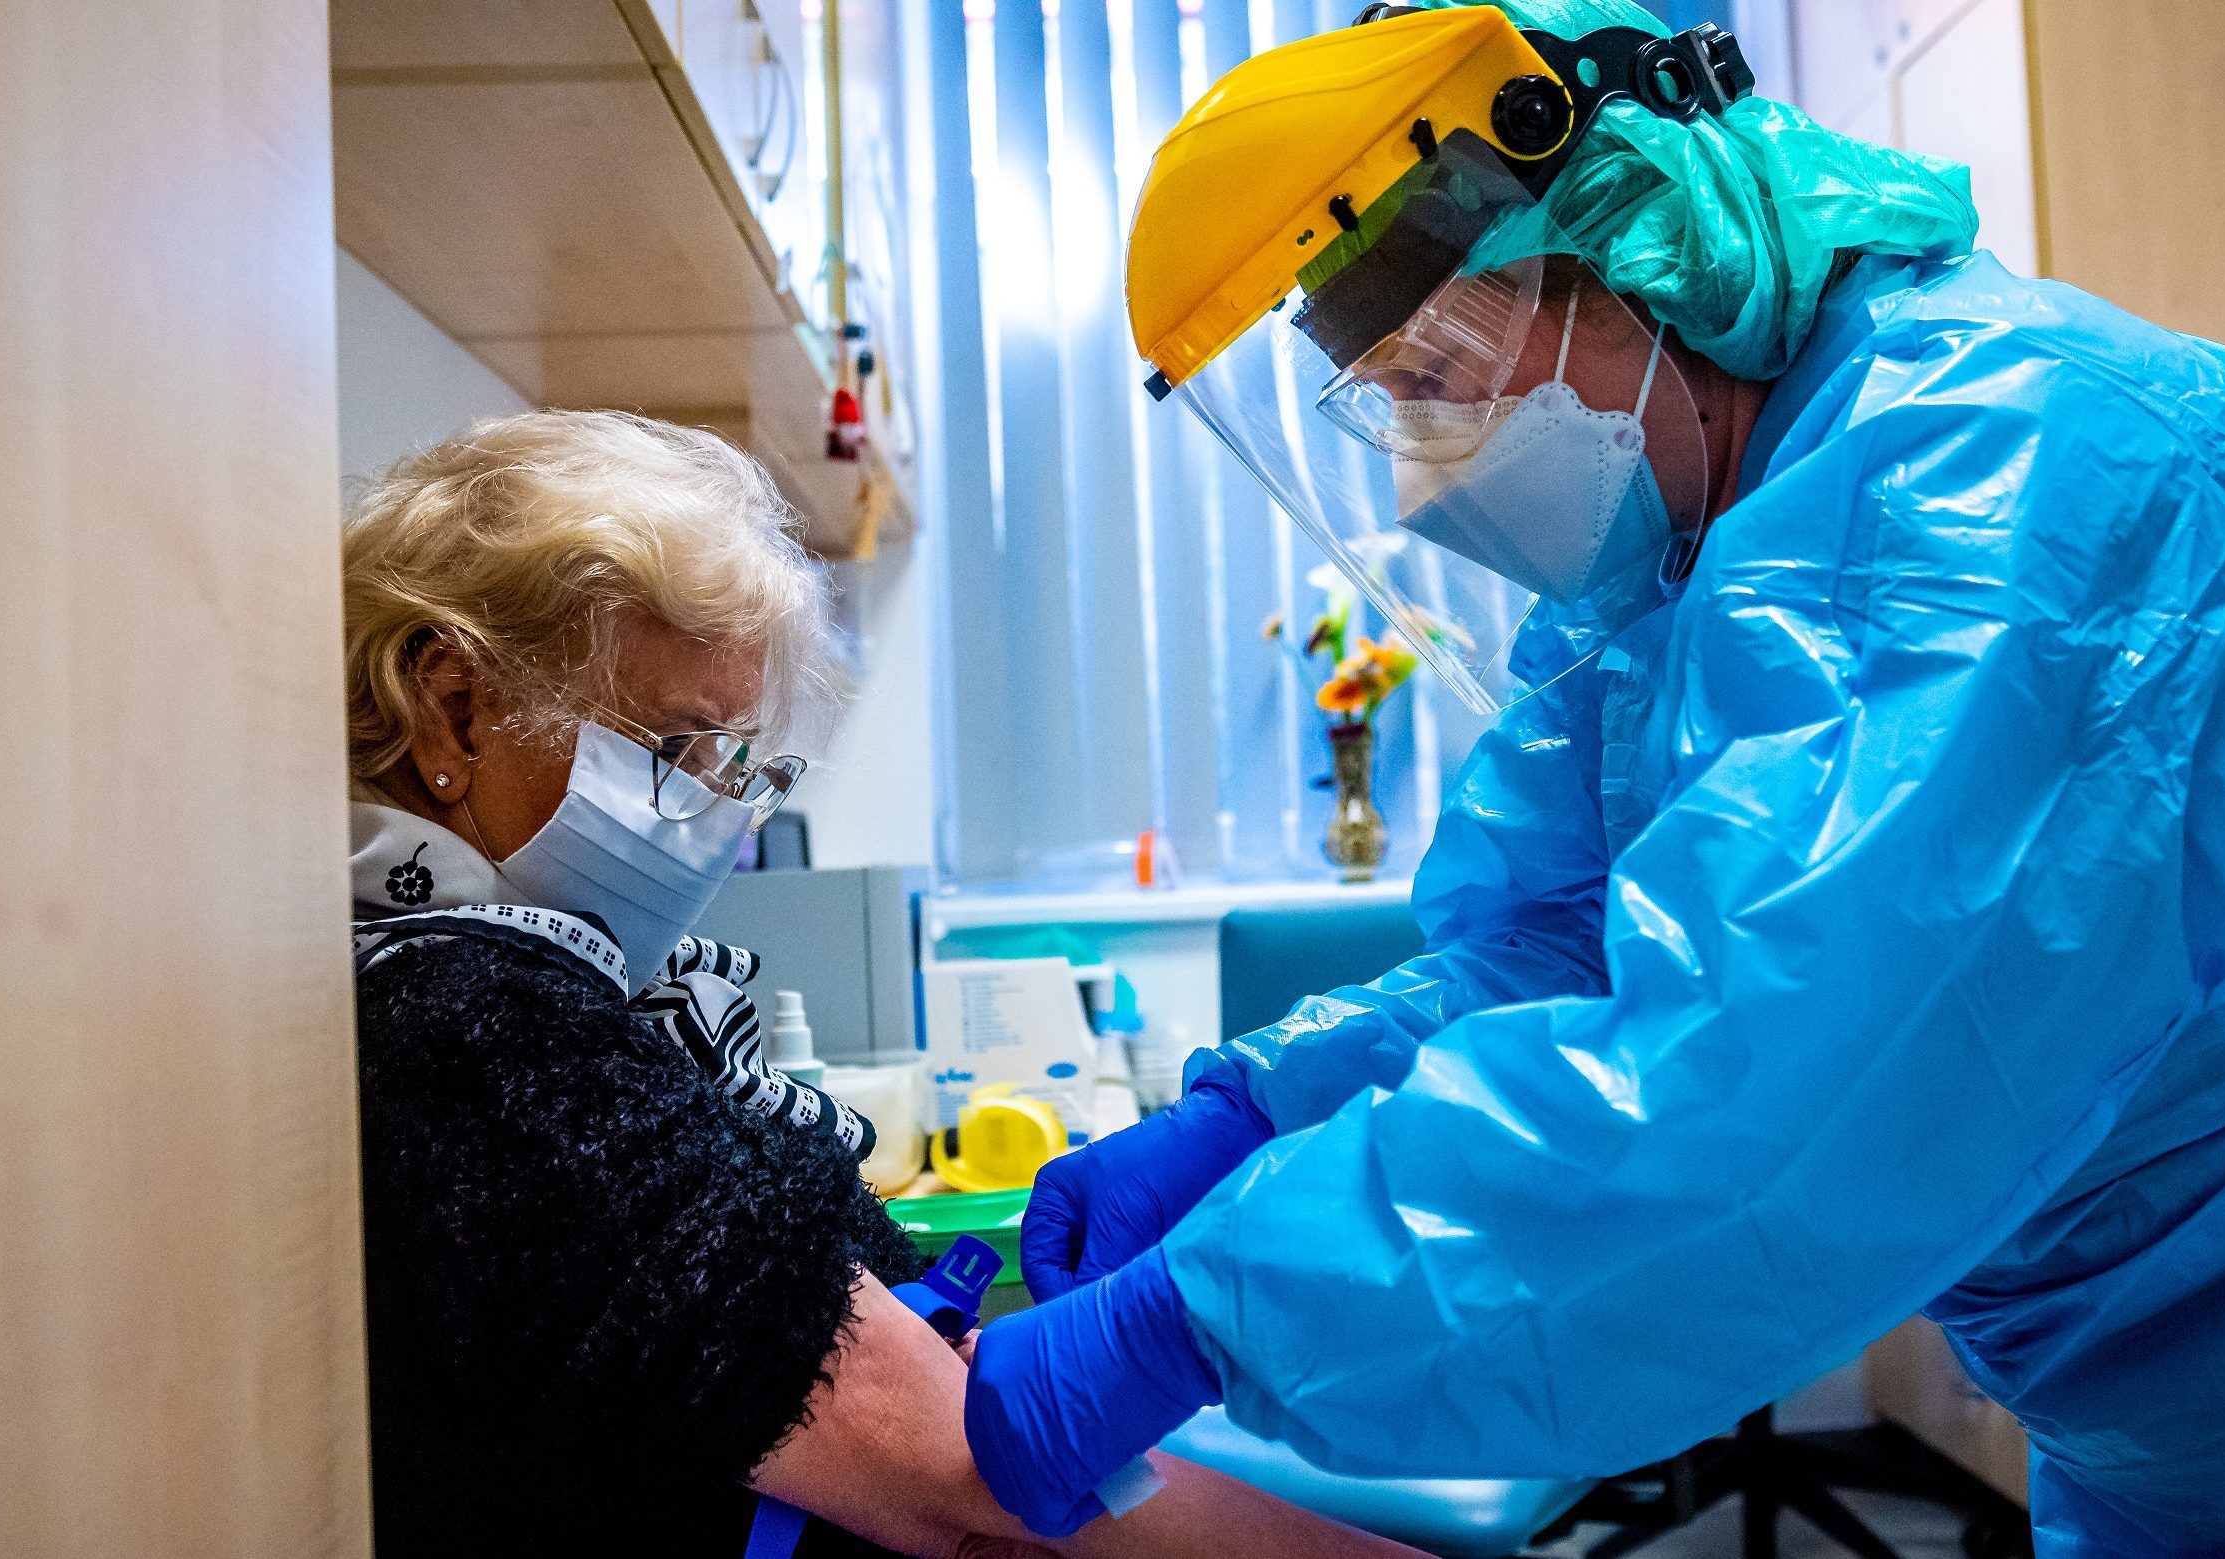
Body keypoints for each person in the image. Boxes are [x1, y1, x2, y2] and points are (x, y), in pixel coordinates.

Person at [958, 3, 2225, 1554]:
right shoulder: (1661, 592)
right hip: (2179, 1408)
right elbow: (1560, 944)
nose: (1420, 453)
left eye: (1439, 367)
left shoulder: (2016, 466)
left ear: (1629, 246)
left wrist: (1211, 1308)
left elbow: (1764, 1066)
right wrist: (1253, 1115)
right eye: (1382, 398)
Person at [341, 410, 1431, 1559]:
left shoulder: (586, 995)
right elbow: (974, 1461)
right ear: (451, 707)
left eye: (732, 758)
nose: (713, 811)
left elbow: (900, 1330)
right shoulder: (469, 1026)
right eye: (674, 747)